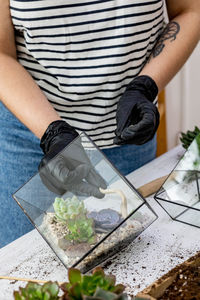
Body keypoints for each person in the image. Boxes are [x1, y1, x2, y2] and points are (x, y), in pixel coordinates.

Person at [0, 0, 199, 247]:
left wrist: (146, 85)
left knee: (129, 266)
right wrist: (52, 133)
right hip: (32, 140)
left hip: (127, 136)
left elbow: (191, 10)